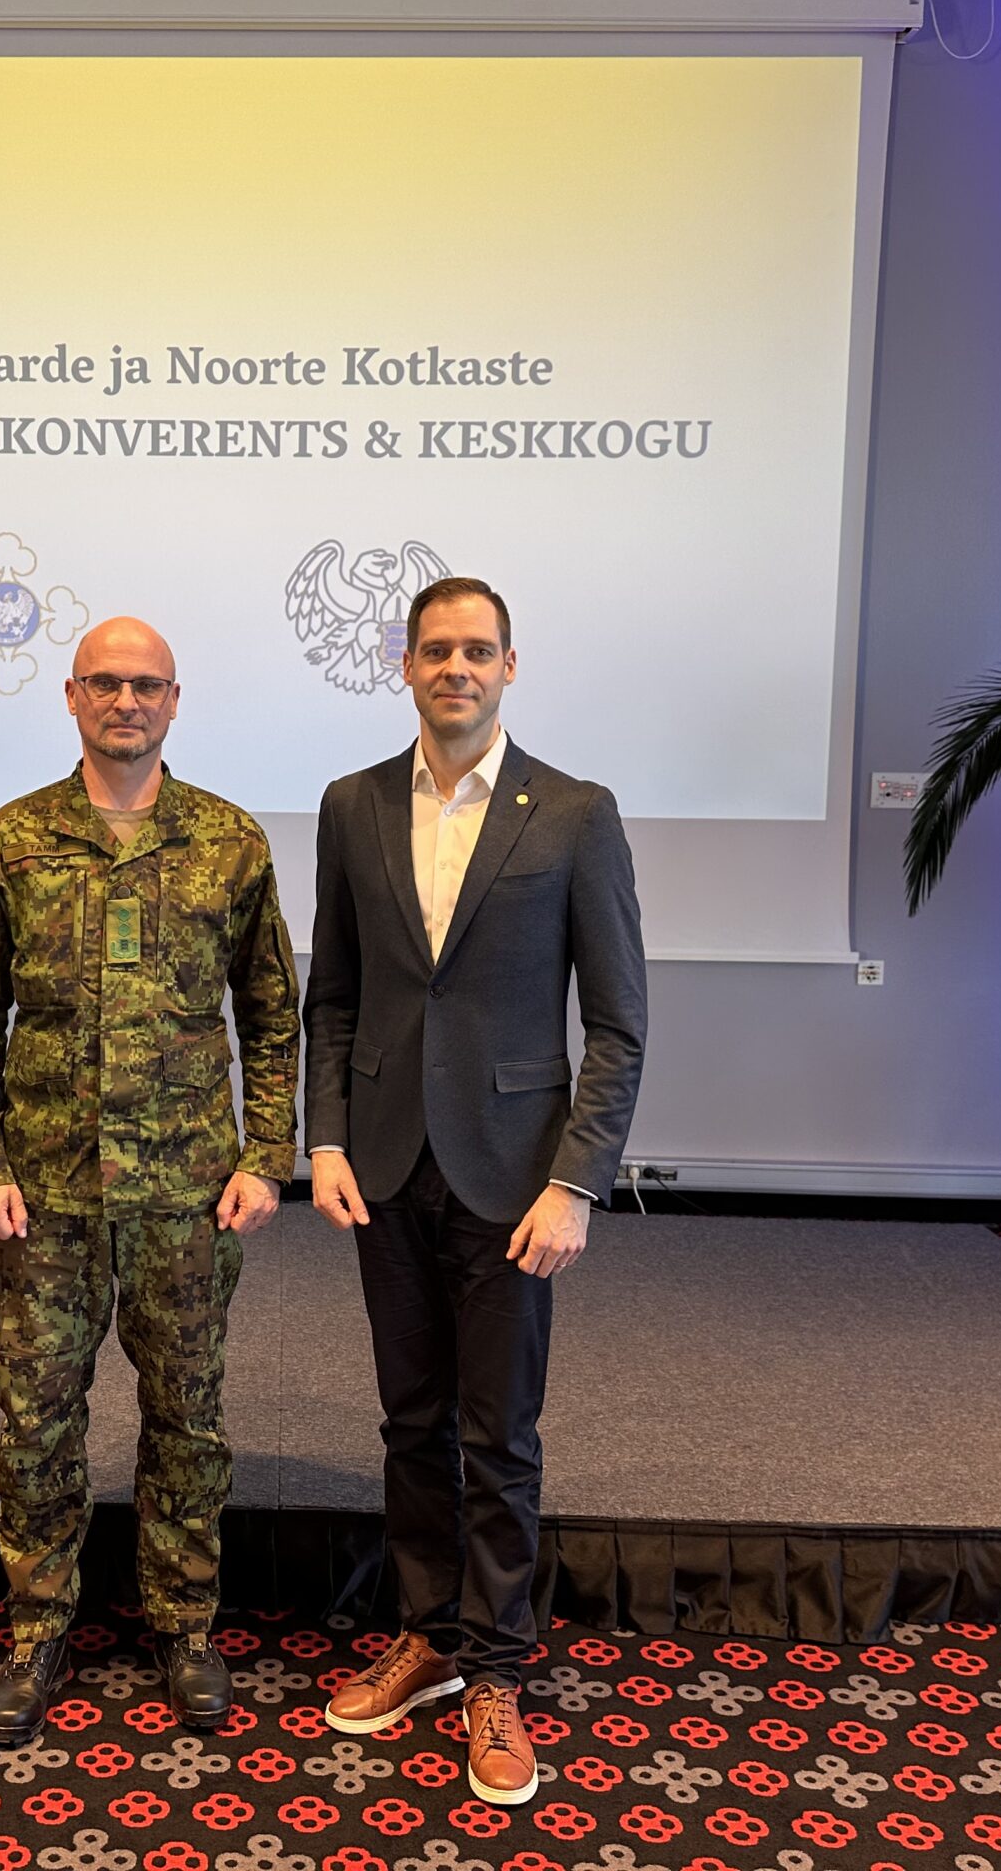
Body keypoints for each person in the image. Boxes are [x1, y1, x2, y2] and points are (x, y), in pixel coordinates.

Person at [303, 578, 646, 1805]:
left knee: (499, 1436)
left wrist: (576, 1183)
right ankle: (429, 1640)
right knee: (411, 1424)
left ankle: (496, 1670)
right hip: (384, 1168)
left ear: (509, 666)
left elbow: (618, 1025)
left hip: (515, 1181)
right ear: (404, 665)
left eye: (478, 651)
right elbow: (334, 996)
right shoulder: (350, 805)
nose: (456, 668)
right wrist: (324, 1139)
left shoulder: (575, 813)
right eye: (436, 650)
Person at [0, 616, 301, 1745]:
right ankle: (37, 1630)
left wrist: (266, 1155)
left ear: (175, 700)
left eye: (147, 685)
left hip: (186, 1197)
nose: (126, 702)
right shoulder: (15, 839)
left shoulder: (230, 842)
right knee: (37, 1421)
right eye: (105, 683)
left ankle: (184, 1628)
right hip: (42, 1198)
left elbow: (273, 1017)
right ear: (71, 695)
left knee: (187, 1418)